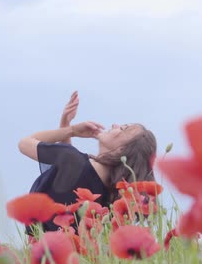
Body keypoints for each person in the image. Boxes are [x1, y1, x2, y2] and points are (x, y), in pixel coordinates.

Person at [17, 91, 157, 236]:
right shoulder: (111, 197)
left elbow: (24, 143)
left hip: (39, 250)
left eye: (122, 129)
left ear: (122, 149)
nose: (115, 125)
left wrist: (71, 130)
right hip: (69, 255)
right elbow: (70, 181)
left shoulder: (72, 160)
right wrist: (66, 124)